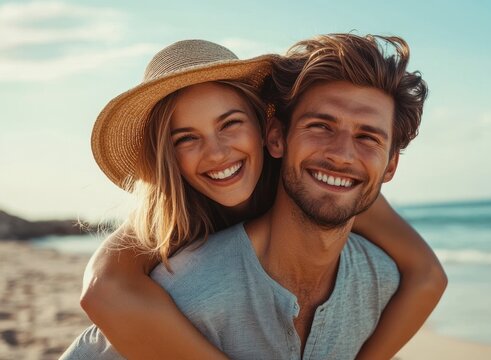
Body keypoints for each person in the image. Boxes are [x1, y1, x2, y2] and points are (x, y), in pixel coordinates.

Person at [63, 35, 446, 359]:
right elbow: (103, 289)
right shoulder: (170, 217)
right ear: (169, 157)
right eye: (187, 138)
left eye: (230, 124)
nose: (217, 154)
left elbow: (427, 273)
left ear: (267, 129)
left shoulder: (325, 181)